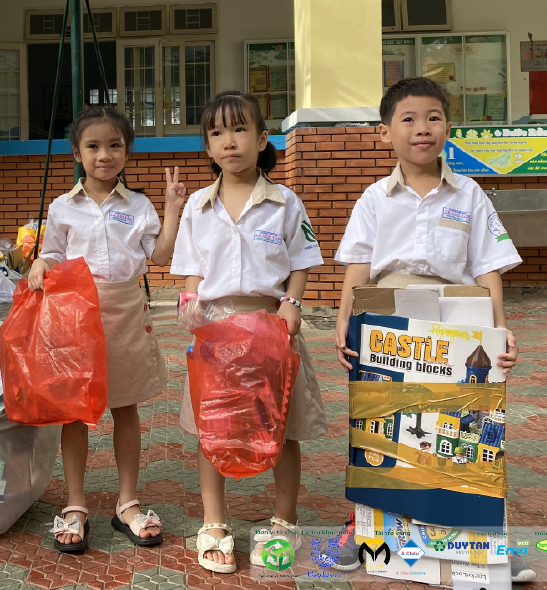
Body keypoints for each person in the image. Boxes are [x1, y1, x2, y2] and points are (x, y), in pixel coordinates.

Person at [170, 91, 327, 574]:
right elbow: (191, 267)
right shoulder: (198, 204)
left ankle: (284, 521)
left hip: (271, 330)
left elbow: (301, 261)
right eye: (216, 133)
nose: (228, 141)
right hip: (216, 333)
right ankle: (214, 523)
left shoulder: (285, 201)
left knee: (281, 427)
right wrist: (191, 301)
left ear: (262, 139)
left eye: (239, 130)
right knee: (211, 430)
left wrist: (292, 303)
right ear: (208, 146)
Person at [27, 106, 182, 553]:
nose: (104, 154)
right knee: (75, 411)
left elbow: (161, 255)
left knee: (125, 407)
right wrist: (40, 260)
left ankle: (127, 502)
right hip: (74, 314)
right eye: (93, 146)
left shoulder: (138, 205)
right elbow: (54, 252)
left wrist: (172, 208)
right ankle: (75, 504)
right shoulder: (62, 206)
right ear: (77, 152)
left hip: (125, 310)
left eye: (114, 145)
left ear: (127, 152)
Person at [334, 77, 520, 374]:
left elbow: (488, 264)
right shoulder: (374, 198)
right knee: (389, 405)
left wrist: (500, 328)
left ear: (447, 129)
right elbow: (359, 263)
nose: (422, 128)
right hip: (389, 313)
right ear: (385, 132)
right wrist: (344, 319)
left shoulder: (469, 194)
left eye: (433, 118)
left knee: (456, 405)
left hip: (460, 311)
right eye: (408, 119)